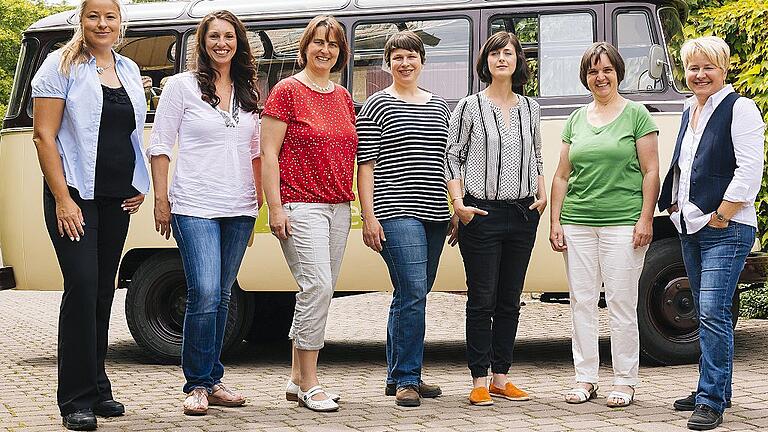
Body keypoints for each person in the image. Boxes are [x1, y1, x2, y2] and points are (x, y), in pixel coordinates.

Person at [30, 0, 149, 429]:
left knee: (101, 291)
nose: (102, 23)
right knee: (81, 288)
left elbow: (132, 133)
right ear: (81, 21)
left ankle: (98, 386)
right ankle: (75, 400)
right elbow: (44, 136)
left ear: (121, 23)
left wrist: (140, 184)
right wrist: (63, 199)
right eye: (94, 15)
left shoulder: (130, 70)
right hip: (75, 196)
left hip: (117, 199)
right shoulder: (58, 65)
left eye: (110, 16)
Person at [147, 10, 262, 416]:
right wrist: (162, 201)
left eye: (229, 36)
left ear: (238, 42)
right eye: (213, 36)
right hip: (194, 204)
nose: (221, 43)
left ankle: (213, 379)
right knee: (206, 292)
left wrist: (259, 205)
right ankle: (195, 383)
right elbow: (159, 146)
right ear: (202, 42)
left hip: (239, 207)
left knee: (224, 295)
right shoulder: (180, 87)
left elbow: (256, 153)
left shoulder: (250, 91)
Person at [658, 36, 765, 431]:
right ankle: (715, 386)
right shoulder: (690, 109)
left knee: (712, 313)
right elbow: (686, 164)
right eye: (692, 68)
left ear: (724, 69)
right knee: (709, 314)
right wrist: (673, 204)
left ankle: (711, 400)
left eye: (708, 67)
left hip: (727, 228)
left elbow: (750, 170)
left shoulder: (742, 109)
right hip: (691, 226)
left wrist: (722, 213)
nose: (699, 75)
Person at [549, 42, 659, 408]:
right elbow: (562, 176)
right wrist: (555, 221)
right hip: (578, 222)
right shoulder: (576, 119)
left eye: (607, 70)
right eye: (593, 71)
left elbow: (651, 171)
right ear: (586, 77)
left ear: (618, 73)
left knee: (621, 302)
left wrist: (645, 218)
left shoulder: (637, 115)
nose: (600, 77)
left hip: (623, 224)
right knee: (581, 301)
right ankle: (586, 378)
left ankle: (625, 380)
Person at [260, 15, 356, 413]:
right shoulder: (286, 91)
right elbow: (268, 154)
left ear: (341, 52)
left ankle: (296, 378)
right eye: (318, 42)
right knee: (316, 286)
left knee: (321, 291)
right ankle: (310, 383)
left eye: (333, 44)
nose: (325, 50)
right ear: (305, 46)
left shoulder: (343, 96)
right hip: (300, 204)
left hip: (338, 207)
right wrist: (276, 208)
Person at [445, 31, 546, 407]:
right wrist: (459, 203)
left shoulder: (530, 108)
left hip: (522, 213)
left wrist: (541, 191)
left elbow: (536, 154)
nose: (501, 58)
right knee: (482, 298)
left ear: (519, 61)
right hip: (481, 212)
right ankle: (478, 379)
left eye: (508, 52)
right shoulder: (469, 106)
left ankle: (502, 377)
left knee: (510, 298)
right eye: (494, 53)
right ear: (485, 62)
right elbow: (452, 156)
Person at [356, 31, 450, 407]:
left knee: (412, 294)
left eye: (411, 56)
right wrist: (368, 217)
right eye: (397, 57)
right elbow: (366, 166)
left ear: (422, 62)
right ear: (387, 63)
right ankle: (409, 378)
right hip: (396, 212)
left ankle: (398, 374)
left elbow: (447, 161)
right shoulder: (376, 104)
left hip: (437, 214)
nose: (405, 63)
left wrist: (454, 207)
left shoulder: (440, 106)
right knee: (412, 291)